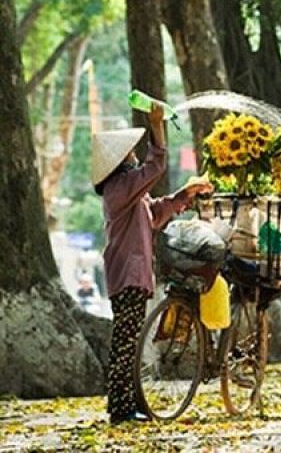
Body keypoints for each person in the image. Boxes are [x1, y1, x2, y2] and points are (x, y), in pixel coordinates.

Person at [92, 105, 213, 424]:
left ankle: (124, 405)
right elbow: (154, 166)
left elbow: (157, 213)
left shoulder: (132, 194)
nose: (133, 155)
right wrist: (156, 128)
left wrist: (186, 193)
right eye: (130, 153)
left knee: (128, 341)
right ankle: (121, 410)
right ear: (121, 161)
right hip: (128, 274)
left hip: (134, 274)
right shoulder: (119, 190)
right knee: (126, 342)